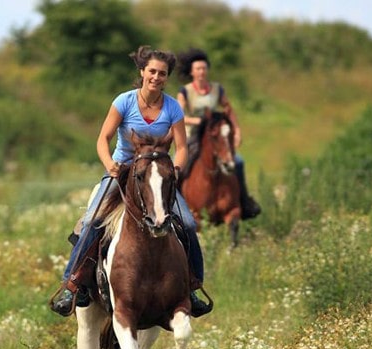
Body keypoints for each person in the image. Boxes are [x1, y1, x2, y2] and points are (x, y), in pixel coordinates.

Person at [51, 46, 212, 318]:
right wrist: (110, 165)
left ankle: (193, 287)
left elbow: (182, 147)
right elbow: (103, 138)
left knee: (186, 223)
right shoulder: (124, 102)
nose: (156, 77)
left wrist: (175, 168)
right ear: (142, 72)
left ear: (166, 77)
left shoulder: (172, 107)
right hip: (123, 171)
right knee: (91, 221)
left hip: (157, 175)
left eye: (162, 73)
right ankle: (72, 284)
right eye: (152, 71)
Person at [176, 48, 261, 219]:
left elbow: (228, 110)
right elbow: (178, 116)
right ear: (192, 72)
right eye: (198, 68)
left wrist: (236, 130)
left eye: (204, 68)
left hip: (213, 136)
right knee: (177, 166)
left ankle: (244, 201)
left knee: (238, 162)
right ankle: (175, 207)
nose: (201, 71)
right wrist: (197, 121)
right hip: (192, 137)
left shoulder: (217, 89)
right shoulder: (185, 91)